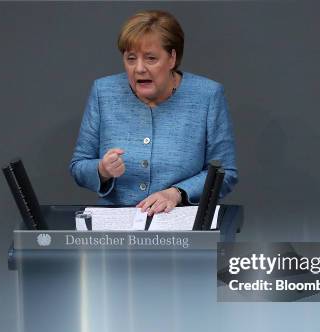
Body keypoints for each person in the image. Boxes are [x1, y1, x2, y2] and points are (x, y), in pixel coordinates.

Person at [70, 10, 238, 215]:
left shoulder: (208, 95)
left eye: (150, 58)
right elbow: (78, 166)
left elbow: (225, 173)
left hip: (180, 222)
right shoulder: (103, 92)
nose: (139, 68)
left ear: (172, 58)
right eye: (131, 59)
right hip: (116, 225)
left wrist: (177, 193)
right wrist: (102, 170)